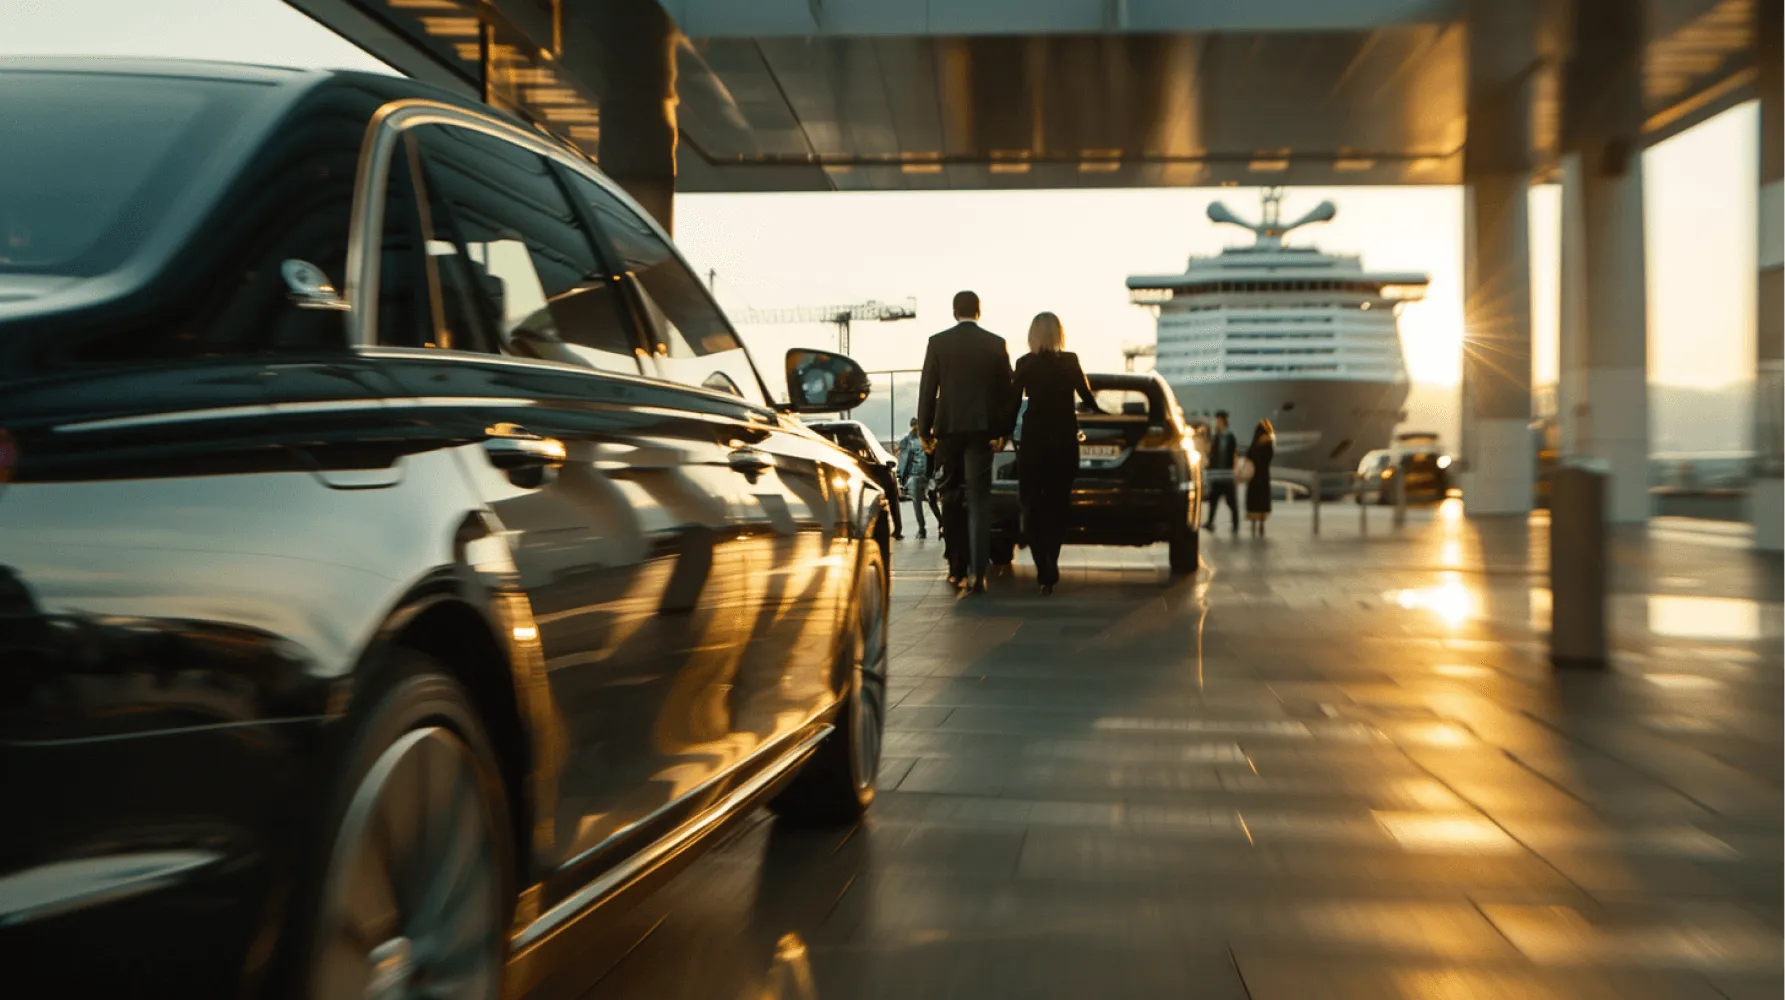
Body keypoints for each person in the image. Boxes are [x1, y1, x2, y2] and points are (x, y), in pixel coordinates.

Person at [918, 290, 1013, 593]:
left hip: (948, 430)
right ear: (979, 311)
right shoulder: (995, 344)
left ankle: (956, 568)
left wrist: (924, 430)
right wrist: (1003, 431)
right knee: (979, 500)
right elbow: (1006, 393)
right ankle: (978, 573)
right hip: (982, 430)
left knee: (951, 497)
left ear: (954, 311)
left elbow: (928, 388)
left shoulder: (938, 343)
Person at [1008, 312, 1098, 595]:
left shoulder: (1024, 363)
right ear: (1059, 334)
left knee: (1031, 503)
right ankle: (1052, 559)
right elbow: (1087, 398)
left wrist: (1001, 433)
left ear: (1032, 335)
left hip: (1034, 444)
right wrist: (1101, 411)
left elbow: (1012, 405)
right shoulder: (1070, 361)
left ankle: (1043, 566)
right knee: (1058, 504)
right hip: (1063, 443)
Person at [896, 417, 933, 538]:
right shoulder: (926, 439)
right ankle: (941, 523)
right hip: (927, 475)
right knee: (932, 500)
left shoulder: (908, 441)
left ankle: (922, 529)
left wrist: (901, 477)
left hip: (915, 476)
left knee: (917, 504)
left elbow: (904, 461)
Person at [1204, 410, 1240, 533]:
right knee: (1213, 499)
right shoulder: (1216, 438)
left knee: (1231, 501)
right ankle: (1210, 522)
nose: (1216, 424)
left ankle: (1236, 524)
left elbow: (1234, 455)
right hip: (1216, 475)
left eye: (1218, 421)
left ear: (1223, 422)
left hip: (1227, 475)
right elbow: (1212, 455)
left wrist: (1235, 471)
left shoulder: (1230, 438)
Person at [1244, 418, 1276, 536]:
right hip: (1264, 475)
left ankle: (1253, 522)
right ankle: (1262, 523)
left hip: (1253, 476)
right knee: (1262, 500)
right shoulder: (1269, 444)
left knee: (1254, 500)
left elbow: (1248, 456)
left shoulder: (1255, 444)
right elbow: (1270, 457)